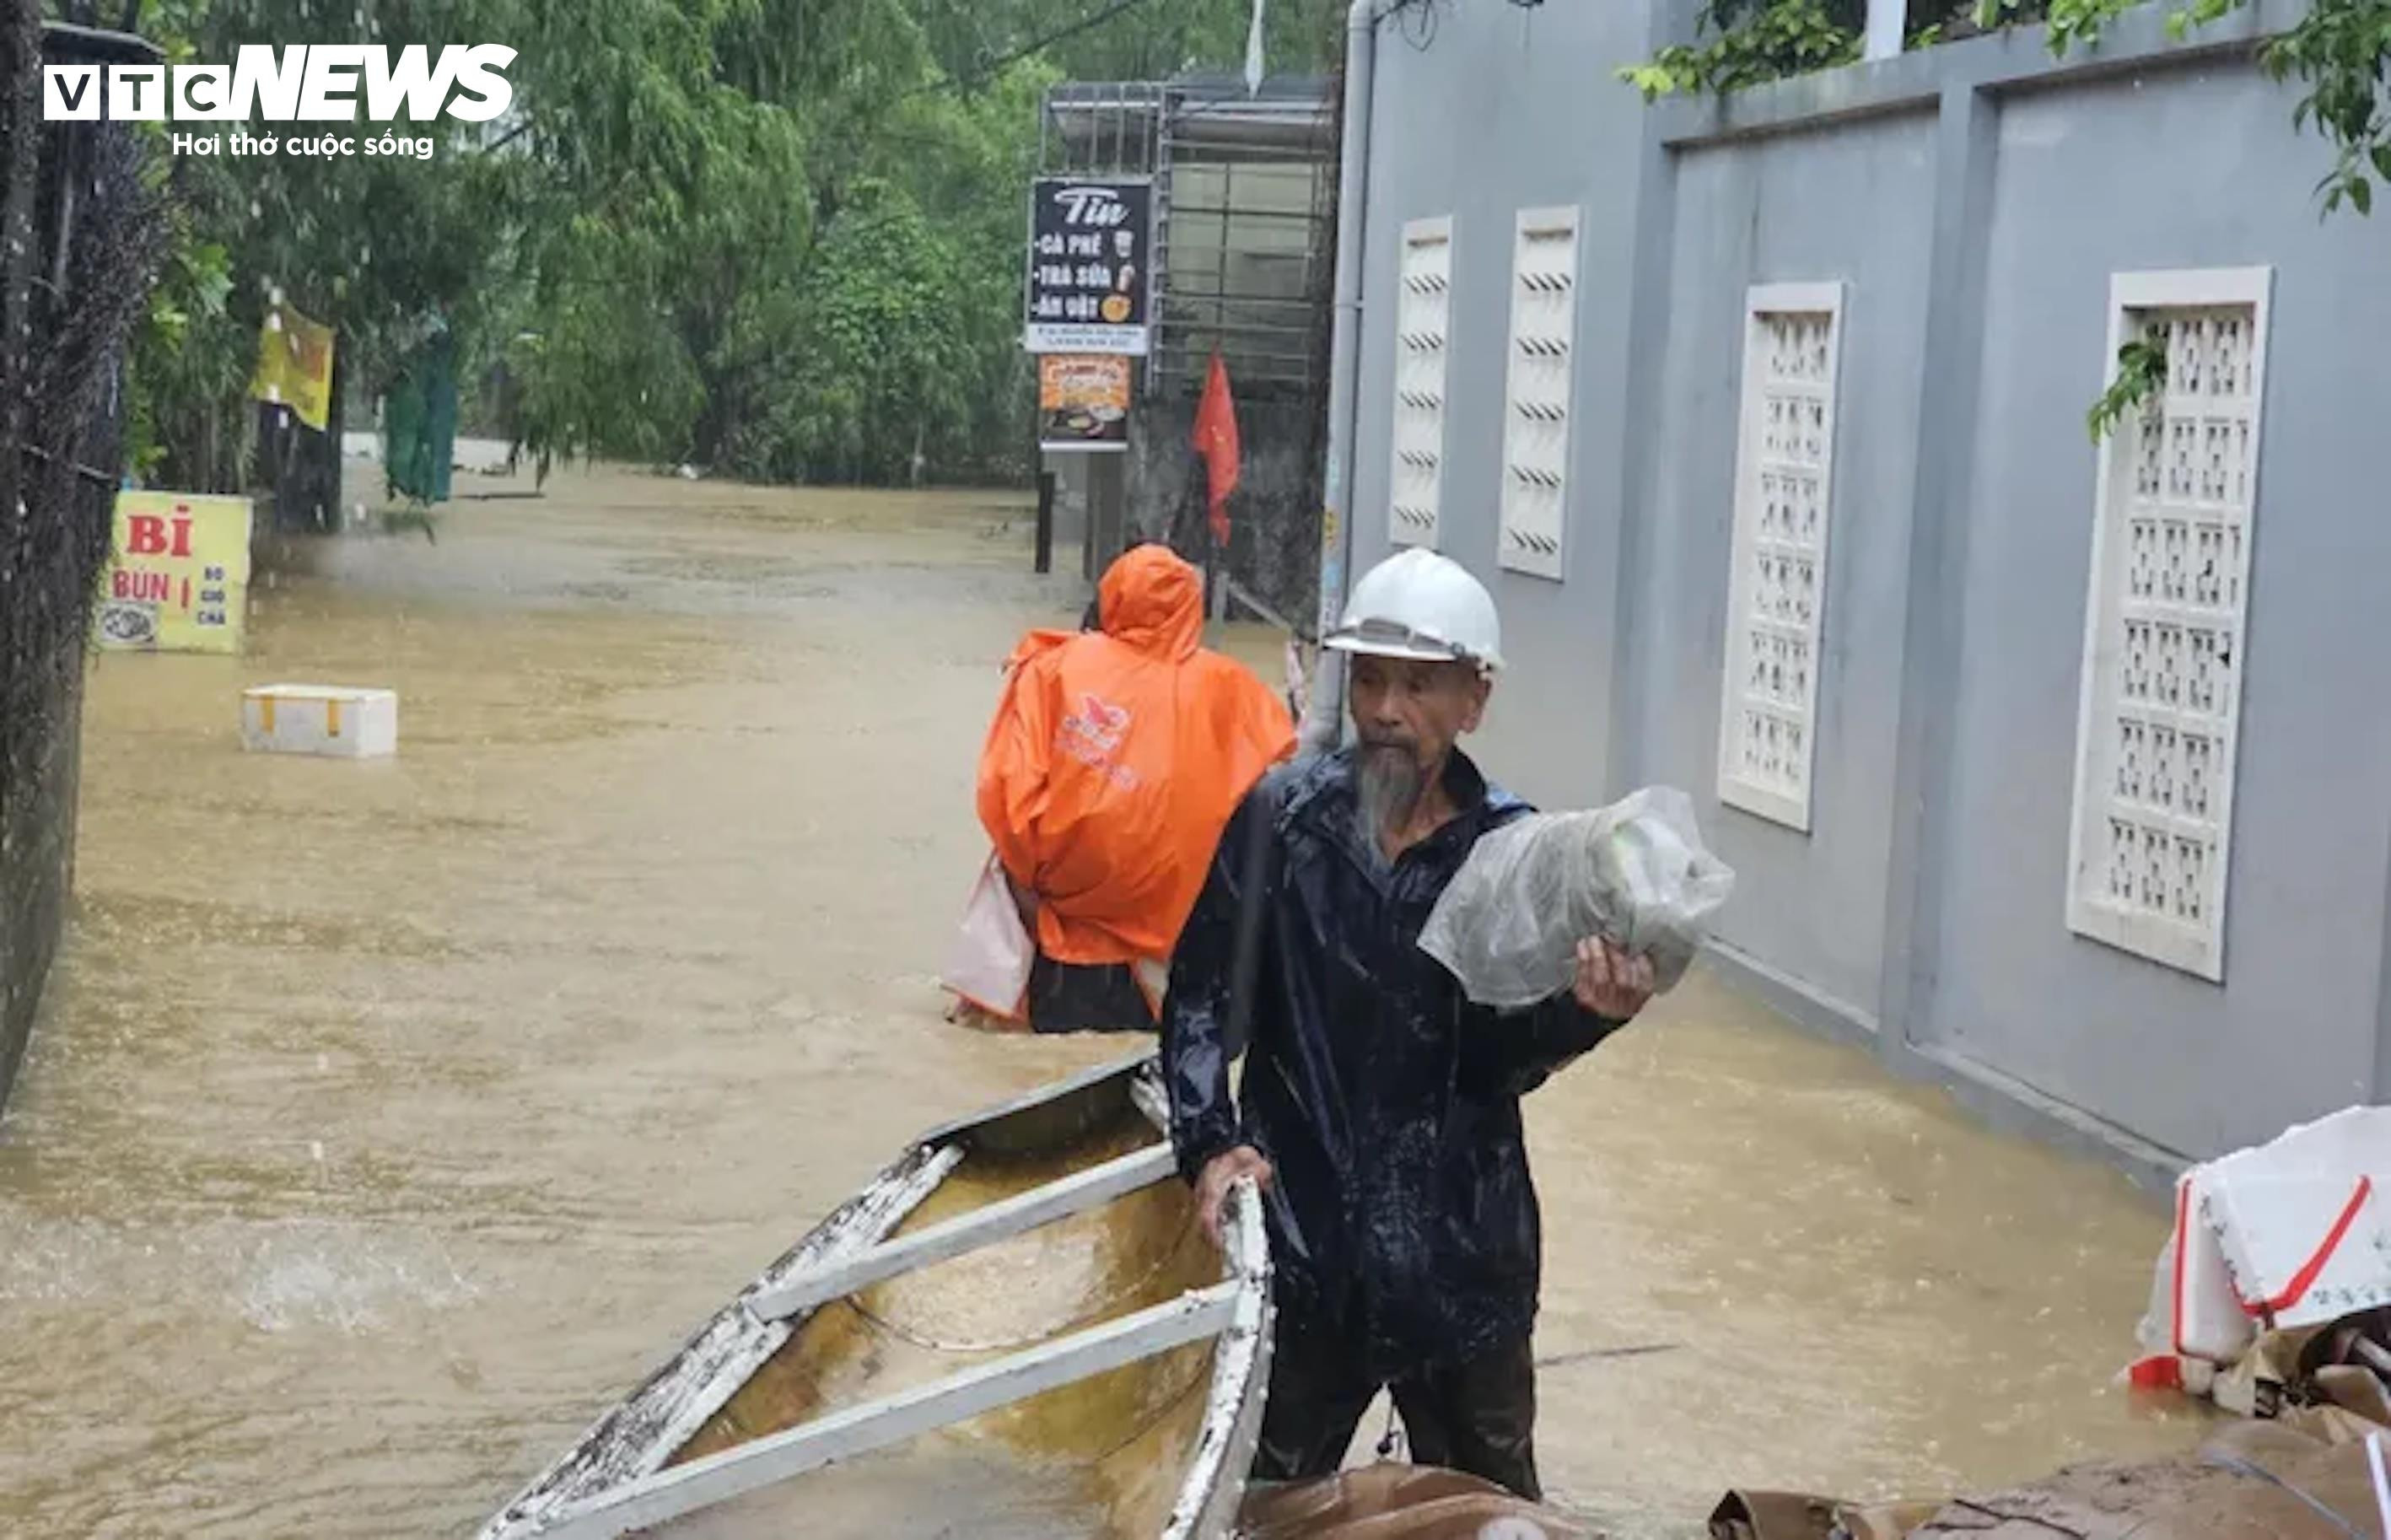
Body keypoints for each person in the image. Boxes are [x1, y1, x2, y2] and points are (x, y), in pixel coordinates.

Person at [1161, 546, 1656, 1501]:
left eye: (1419, 685)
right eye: (1372, 679)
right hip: (1304, 1252)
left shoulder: (1513, 854)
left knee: (1490, 1512)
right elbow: (1199, 996)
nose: (1386, 709)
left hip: (1462, 1263)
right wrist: (1210, 1143)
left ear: (1475, 698)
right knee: (1257, 1503)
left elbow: (1497, 1056)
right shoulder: (1282, 817)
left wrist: (1586, 1013)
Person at [971, 542, 1295, 1032]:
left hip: (1056, 944)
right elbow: (1274, 799)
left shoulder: (1053, 668)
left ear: (1110, 598)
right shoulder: (1234, 691)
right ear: (1192, 610)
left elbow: (1007, 802)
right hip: (1168, 964)